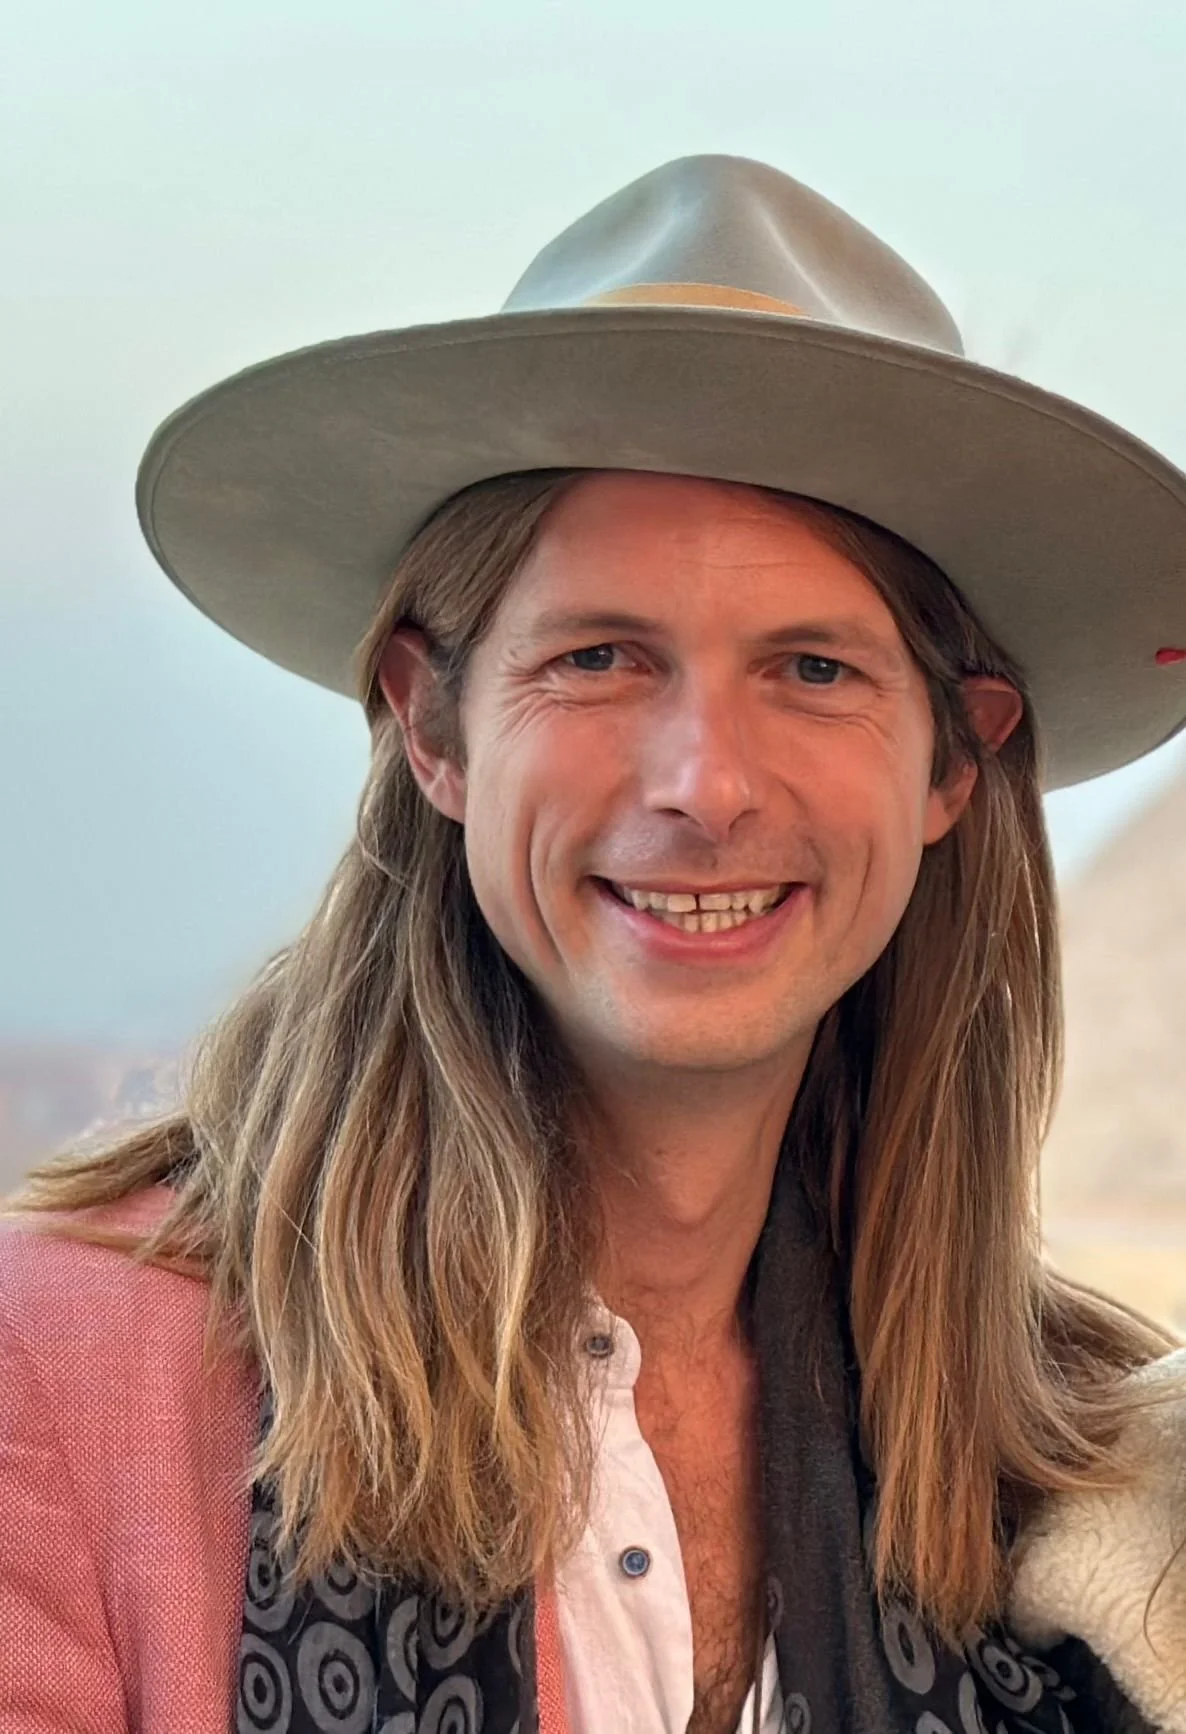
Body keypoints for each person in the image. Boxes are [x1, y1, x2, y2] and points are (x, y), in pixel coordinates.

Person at [3, 154, 1185, 1734]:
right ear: (432, 723)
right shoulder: (56, 1380)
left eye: (814, 667)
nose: (702, 781)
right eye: (600, 655)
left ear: (952, 766)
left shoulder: (1083, 1474)